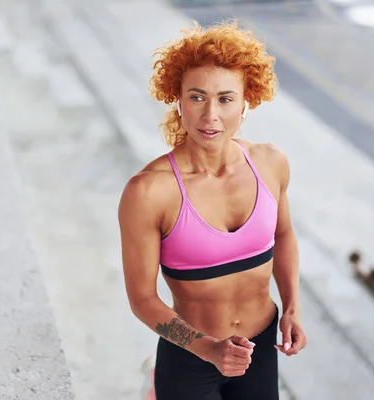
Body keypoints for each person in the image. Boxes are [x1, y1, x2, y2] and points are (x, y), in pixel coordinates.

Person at [118, 20, 307, 400]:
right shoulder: (149, 191)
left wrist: (291, 307)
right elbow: (142, 299)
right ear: (178, 98)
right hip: (190, 359)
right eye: (197, 97)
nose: (210, 116)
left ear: (246, 101)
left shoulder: (271, 163)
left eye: (225, 98)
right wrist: (209, 349)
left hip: (260, 350)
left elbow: (283, 234)